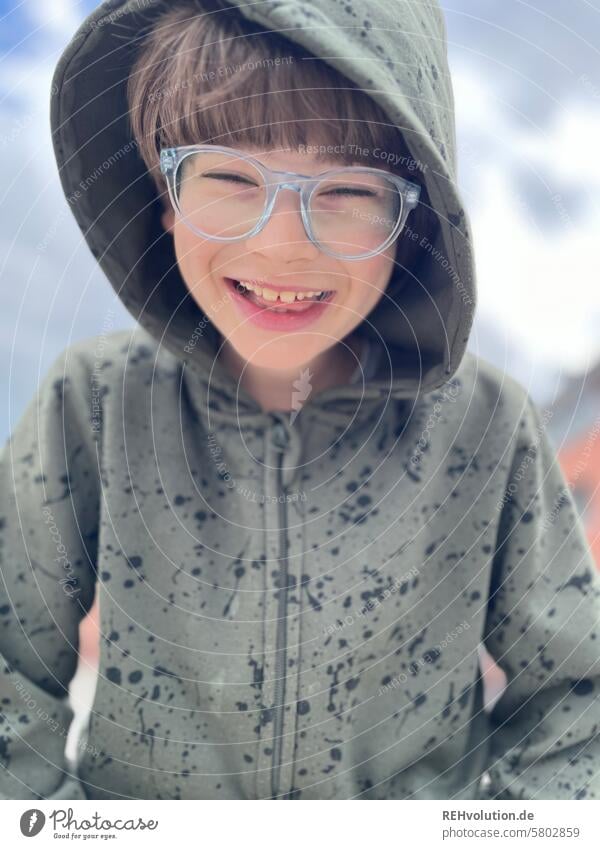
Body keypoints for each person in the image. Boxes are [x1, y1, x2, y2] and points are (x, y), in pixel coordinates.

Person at [1, 0, 599, 801]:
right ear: (163, 191)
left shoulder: (488, 425)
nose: (282, 243)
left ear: (415, 224)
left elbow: (576, 700)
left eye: (350, 190)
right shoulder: (93, 400)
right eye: (228, 177)